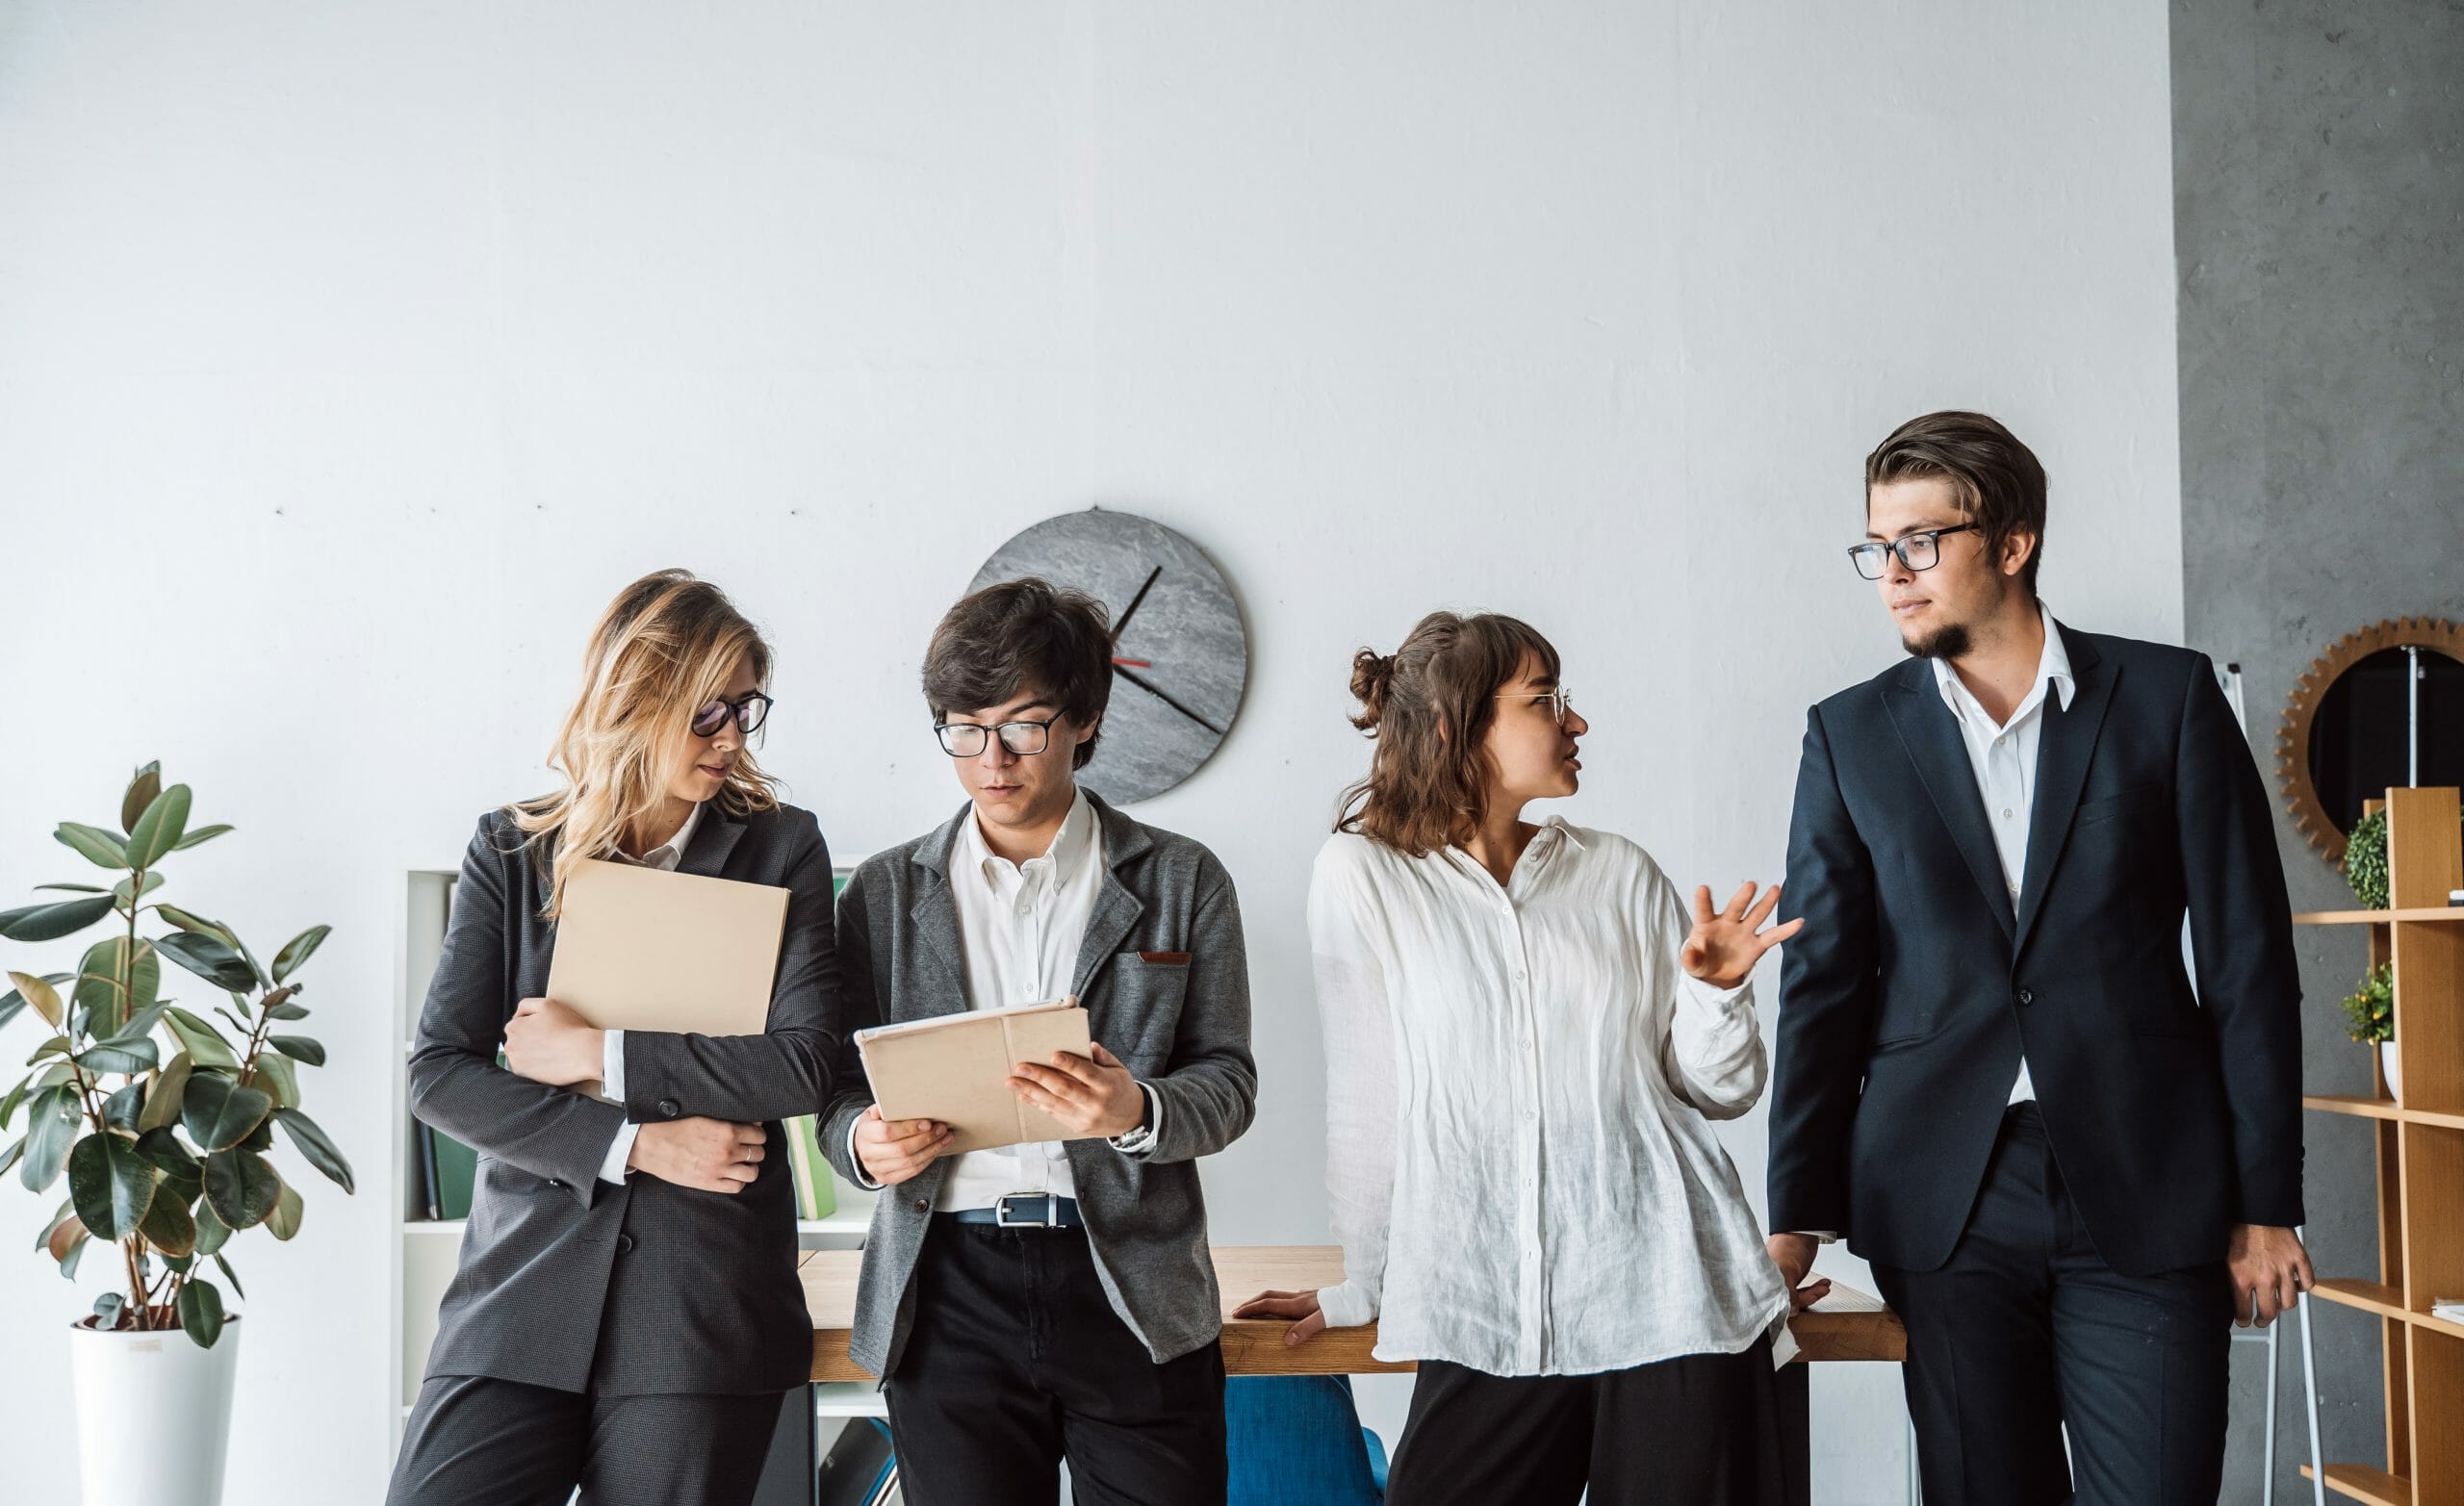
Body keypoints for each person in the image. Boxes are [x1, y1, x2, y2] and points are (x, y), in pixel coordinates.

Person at [1765, 411, 2312, 1503]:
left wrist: (2265, 1201)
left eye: (1920, 541)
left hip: (2151, 1183)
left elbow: (2247, 958)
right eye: (1878, 546)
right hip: (1941, 1196)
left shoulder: (2167, 699)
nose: (1892, 573)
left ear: (2010, 544)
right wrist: (1792, 1224)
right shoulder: (1849, 735)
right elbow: (1822, 987)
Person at [1238, 610, 1802, 1506]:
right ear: (1454, 726)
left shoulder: (1619, 873)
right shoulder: (1363, 875)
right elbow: (1368, 1099)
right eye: (1545, 700)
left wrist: (1716, 992)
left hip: (1668, 1294)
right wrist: (1365, 1283)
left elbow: (1718, 1090)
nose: (1575, 722)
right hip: (1485, 1300)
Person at [388, 570, 841, 1506]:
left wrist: (604, 1054)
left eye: (747, 710)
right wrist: (634, 1142)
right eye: (708, 712)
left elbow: (807, 1059)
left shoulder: (781, 847)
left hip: (701, 1305)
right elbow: (440, 1073)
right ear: (636, 697)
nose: (732, 740)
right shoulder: (511, 849)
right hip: (520, 1294)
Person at [820, 575, 1258, 1506]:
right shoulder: (886, 893)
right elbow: (831, 1091)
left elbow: (1229, 1082)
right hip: (946, 1287)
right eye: (965, 728)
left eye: (1023, 725)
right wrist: (863, 1142)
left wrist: (1136, 1108)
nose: (993, 758)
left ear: (1086, 718)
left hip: (1132, 1285)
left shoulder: (1181, 879)